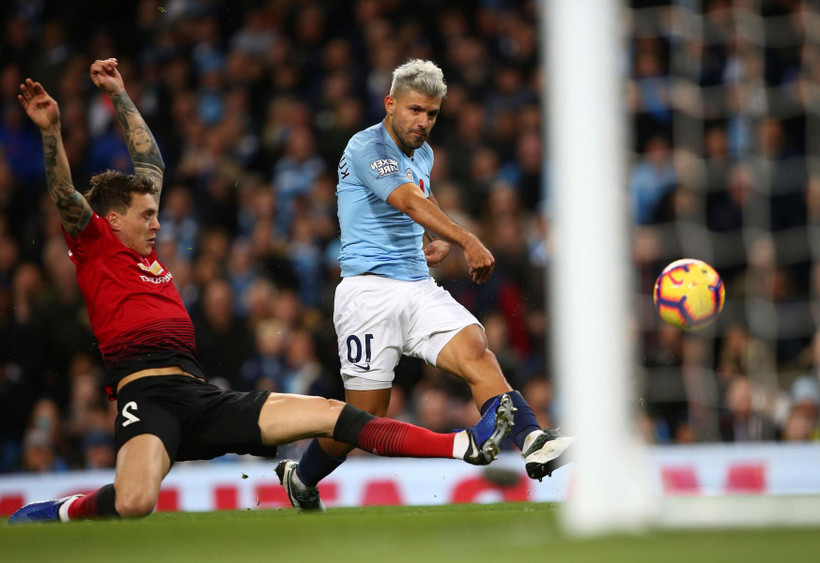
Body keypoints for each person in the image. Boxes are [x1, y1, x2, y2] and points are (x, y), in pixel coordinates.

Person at [9, 59, 515, 524]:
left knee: (336, 413)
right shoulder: (96, 247)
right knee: (134, 502)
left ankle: (461, 447)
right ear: (111, 220)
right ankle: (57, 513)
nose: (158, 224)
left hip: (199, 394)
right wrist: (52, 131)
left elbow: (151, 162)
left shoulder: (142, 247)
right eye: (147, 216)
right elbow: (65, 196)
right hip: (146, 396)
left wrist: (119, 95)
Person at [276, 59, 574, 512]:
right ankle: (302, 476)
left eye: (432, 114)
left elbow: (422, 192)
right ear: (390, 103)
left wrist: (433, 239)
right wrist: (465, 238)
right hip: (367, 295)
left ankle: (532, 439)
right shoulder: (365, 145)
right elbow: (408, 198)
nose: (423, 122)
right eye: (415, 110)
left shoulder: (422, 152)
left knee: (476, 347)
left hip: (417, 286)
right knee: (365, 417)